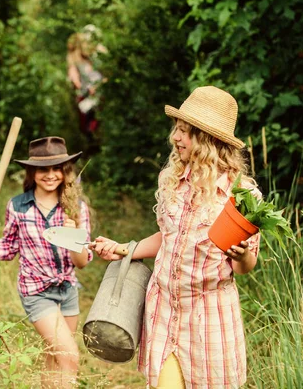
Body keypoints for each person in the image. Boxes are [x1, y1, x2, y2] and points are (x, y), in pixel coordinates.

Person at [92, 86, 261, 388]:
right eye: (177, 129)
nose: (175, 138)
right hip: (165, 310)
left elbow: (245, 266)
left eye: (185, 132)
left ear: (208, 140)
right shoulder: (172, 181)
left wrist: (242, 255)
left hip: (208, 317)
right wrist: (122, 249)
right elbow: (166, 238)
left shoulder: (241, 195)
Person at [0, 136, 92, 388]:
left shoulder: (75, 208)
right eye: (42, 169)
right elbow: (8, 248)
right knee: (69, 357)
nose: (50, 175)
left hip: (67, 290)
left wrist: (74, 237)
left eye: (56, 168)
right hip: (36, 291)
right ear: (32, 172)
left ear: (65, 171)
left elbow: (82, 263)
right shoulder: (18, 206)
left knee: (54, 357)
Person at [66, 31, 106, 143]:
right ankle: (93, 142)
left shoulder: (95, 55)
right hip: (86, 94)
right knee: (88, 119)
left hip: (97, 93)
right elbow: (74, 76)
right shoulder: (75, 59)